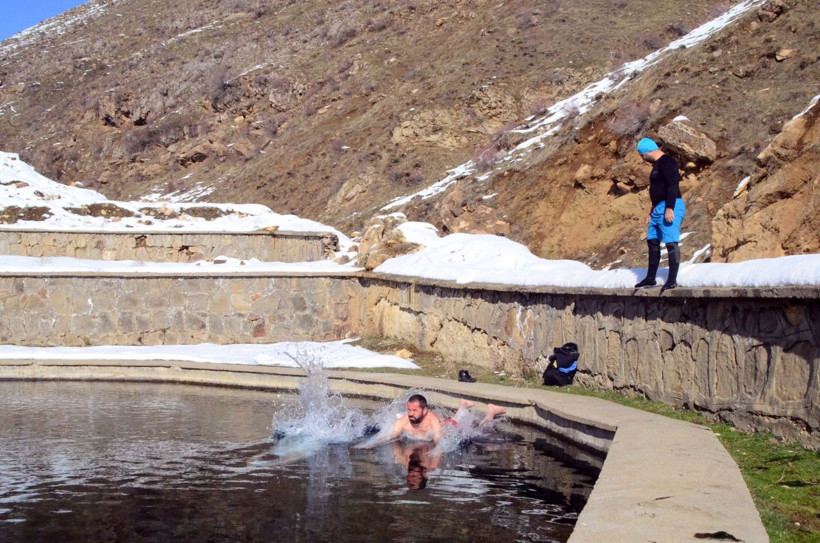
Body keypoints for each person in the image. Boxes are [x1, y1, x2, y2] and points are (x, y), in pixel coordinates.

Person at [633, 137, 686, 293]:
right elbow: (658, 189)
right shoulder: (656, 164)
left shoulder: (667, 162)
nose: (642, 158)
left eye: (642, 155)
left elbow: (672, 185)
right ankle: (651, 277)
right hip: (658, 208)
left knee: (670, 241)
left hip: (671, 204)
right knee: (652, 240)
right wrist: (652, 210)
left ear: (647, 151)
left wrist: (670, 208)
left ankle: (671, 280)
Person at [368, 394, 507, 447]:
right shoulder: (404, 421)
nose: (410, 414)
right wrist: (368, 445)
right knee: (456, 420)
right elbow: (388, 436)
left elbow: (439, 441)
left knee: (480, 432)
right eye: (409, 410)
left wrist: (435, 453)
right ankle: (463, 406)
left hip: (451, 429)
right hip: (447, 423)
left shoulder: (432, 420)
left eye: (414, 410)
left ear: (425, 410)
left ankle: (491, 411)